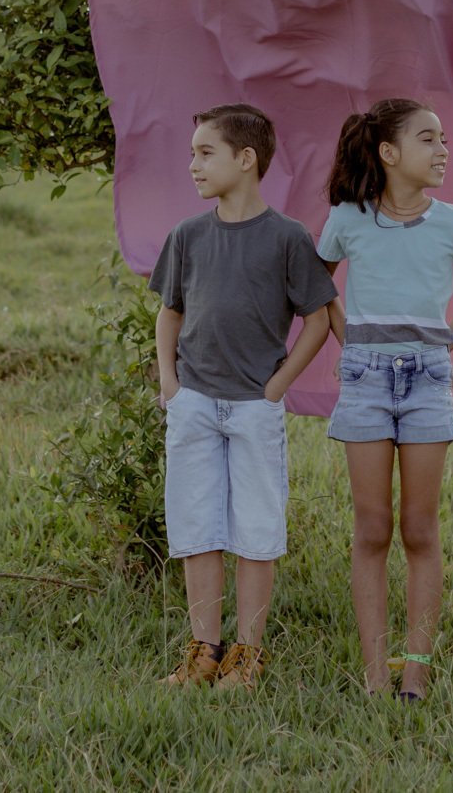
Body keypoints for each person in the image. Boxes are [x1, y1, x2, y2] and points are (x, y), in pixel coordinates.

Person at [317, 98, 453, 701]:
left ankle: (415, 673)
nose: (443, 150)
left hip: (427, 382)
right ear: (388, 153)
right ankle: (376, 676)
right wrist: (350, 341)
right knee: (372, 528)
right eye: (429, 139)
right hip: (366, 382)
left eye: (444, 139)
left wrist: (449, 339)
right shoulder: (348, 219)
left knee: (420, 530)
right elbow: (317, 284)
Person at [151, 102, 336, 691]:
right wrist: (170, 382)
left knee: (256, 528)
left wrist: (277, 386)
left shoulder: (287, 238)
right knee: (196, 524)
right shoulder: (188, 235)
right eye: (192, 154)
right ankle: (204, 649)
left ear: (246, 159)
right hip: (194, 403)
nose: (193, 165)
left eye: (206, 153)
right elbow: (169, 312)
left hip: (255, 407)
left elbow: (317, 319)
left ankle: (248, 655)